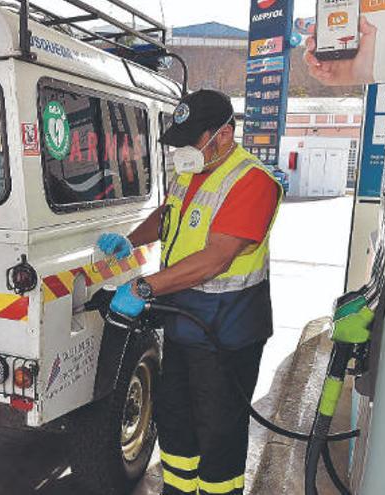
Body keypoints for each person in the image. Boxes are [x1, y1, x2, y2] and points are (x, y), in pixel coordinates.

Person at [97, 89, 282, 495]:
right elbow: (168, 216)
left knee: (217, 433)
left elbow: (217, 258)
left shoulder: (252, 181)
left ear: (224, 135)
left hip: (226, 332)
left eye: (190, 139)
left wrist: (144, 286)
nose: (182, 148)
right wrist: (131, 241)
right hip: (184, 323)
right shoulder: (192, 174)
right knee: (176, 421)